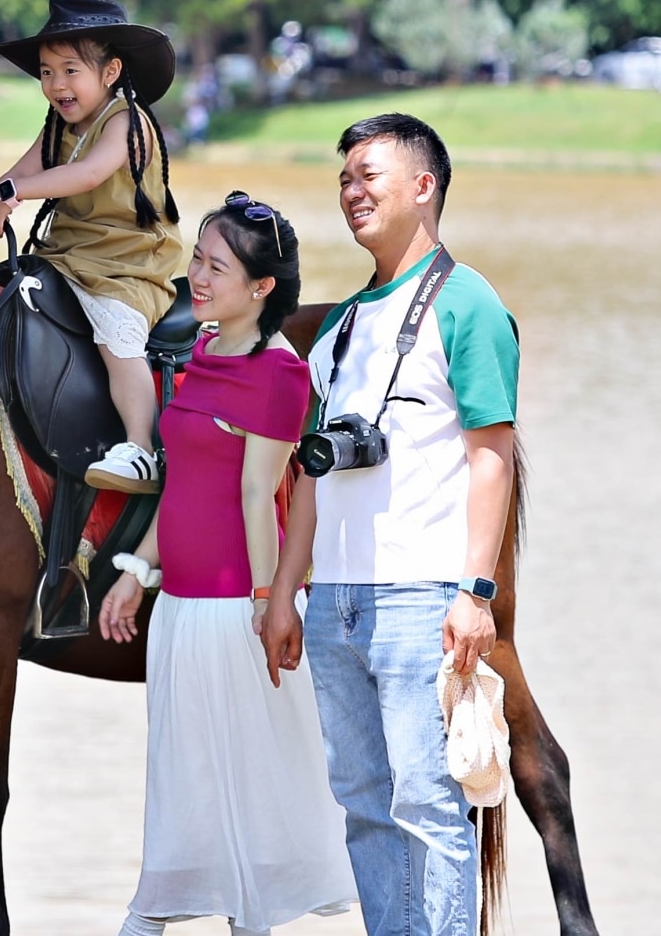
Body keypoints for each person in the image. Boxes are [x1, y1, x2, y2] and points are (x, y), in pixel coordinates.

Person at [260, 114, 519, 936]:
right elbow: (310, 475)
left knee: (427, 805)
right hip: (335, 600)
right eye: (343, 179)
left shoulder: (467, 302)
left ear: (423, 185)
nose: (351, 192)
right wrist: (284, 592)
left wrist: (474, 591)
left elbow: (492, 455)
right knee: (366, 807)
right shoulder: (336, 331)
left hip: (419, 596)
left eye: (368, 174)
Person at [99, 194, 357, 936]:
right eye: (197, 260)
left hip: (235, 613)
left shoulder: (280, 372)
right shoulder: (202, 351)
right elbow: (182, 483)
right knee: (184, 790)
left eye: (215, 266)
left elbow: (255, 496)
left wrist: (267, 603)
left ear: (261, 286)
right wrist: (137, 570)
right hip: (179, 609)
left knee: (249, 798)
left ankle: (150, 918)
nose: (197, 277)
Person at [0, 0, 183, 491]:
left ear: (110, 72)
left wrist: (14, 193)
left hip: (125, 262)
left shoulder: (128, 123)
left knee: (116, 329)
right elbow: (25, 169)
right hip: (65, 253)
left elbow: (86, 175)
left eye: (70, 70)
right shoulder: (58, 126)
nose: (57, 85)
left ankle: (140, 448)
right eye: (46, 72)